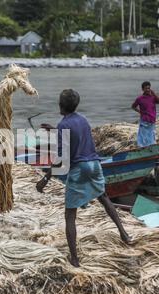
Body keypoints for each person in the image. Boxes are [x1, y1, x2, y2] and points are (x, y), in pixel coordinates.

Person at [36, 89, 132, 268]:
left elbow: (61, 159)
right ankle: (124, 234)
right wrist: (55, 130)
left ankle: (75, 259)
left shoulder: (64, 125)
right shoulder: (83, 119)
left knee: (70, 214)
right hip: (95, 165)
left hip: (79, 169)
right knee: (103, 198)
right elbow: (76, 132)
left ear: (60, 105)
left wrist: (45, 179)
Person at [131, 81, 159, 148]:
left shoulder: (153, 97)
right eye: (146, 88)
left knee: (151, 136)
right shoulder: (140, 98)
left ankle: (151, 149)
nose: (148, 90)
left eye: (149, 88)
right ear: (143, 89)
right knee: (143, 138)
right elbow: (133, 106)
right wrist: (140, 112)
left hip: (152, 120)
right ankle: (142, 149)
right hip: (144, 120)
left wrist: (154, 94)